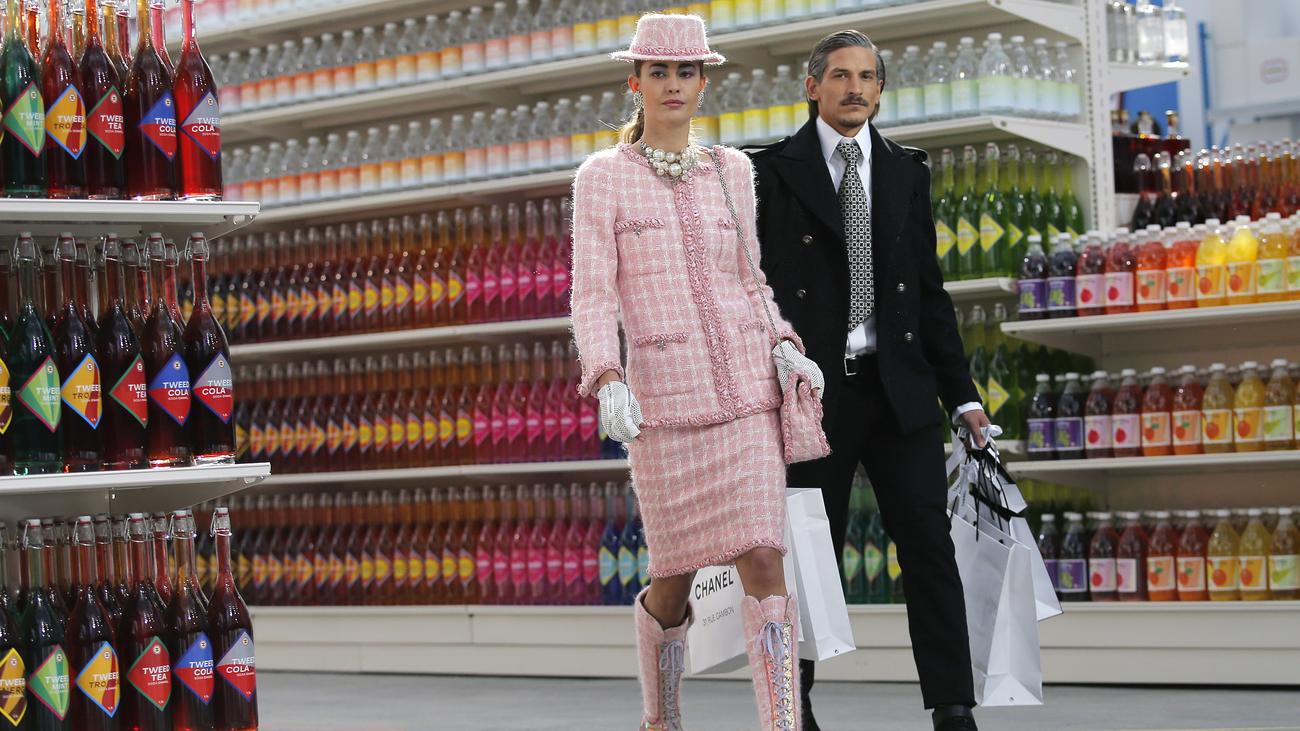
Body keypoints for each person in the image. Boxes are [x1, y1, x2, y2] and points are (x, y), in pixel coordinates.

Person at [569, 14, 825, 731]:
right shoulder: (602, 178)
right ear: (635, 82)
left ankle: (782, 724)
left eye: (686, 71)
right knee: (672, 579)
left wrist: (783, 343)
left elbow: (751, 280)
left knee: (765, 559)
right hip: (666, 406)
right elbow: (592, 293)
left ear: (704, 81)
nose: (673, 84)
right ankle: (663, 719)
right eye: (659, 71)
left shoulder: (733, 171)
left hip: (748, 396)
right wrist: (606, 374)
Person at [746, 30, 993, 731]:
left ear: (880, 90)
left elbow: (929, 293)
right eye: (840, 75)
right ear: (812, 86)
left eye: (867, 77)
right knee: (803, 555)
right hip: (811, 397)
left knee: (929, 549)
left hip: (899, 389)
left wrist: (963, 395)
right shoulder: (767, 172)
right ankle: (792, 704)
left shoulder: (905, 170)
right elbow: (748, 288)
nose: (854, 88)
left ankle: (953, 707)